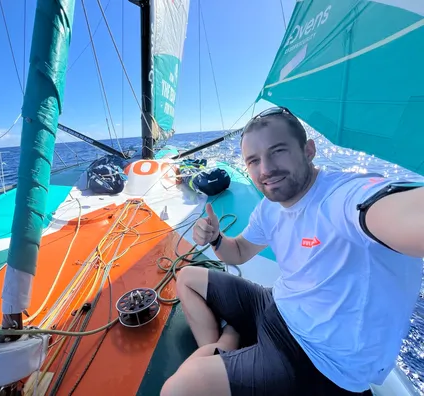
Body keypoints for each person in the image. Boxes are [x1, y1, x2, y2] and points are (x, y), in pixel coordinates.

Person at [160, 107, 424, 396]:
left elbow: (399, 213)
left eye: (278, 151)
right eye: (253, 160)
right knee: (187, 277)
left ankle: (223, 348)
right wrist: (217, 239)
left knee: (177, 389)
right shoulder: (270, 207)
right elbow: (239, 252)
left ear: (308, 150)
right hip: (277, 306)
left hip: (317, 360)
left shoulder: (345, 197)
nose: (265, 169)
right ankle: (222, 349)